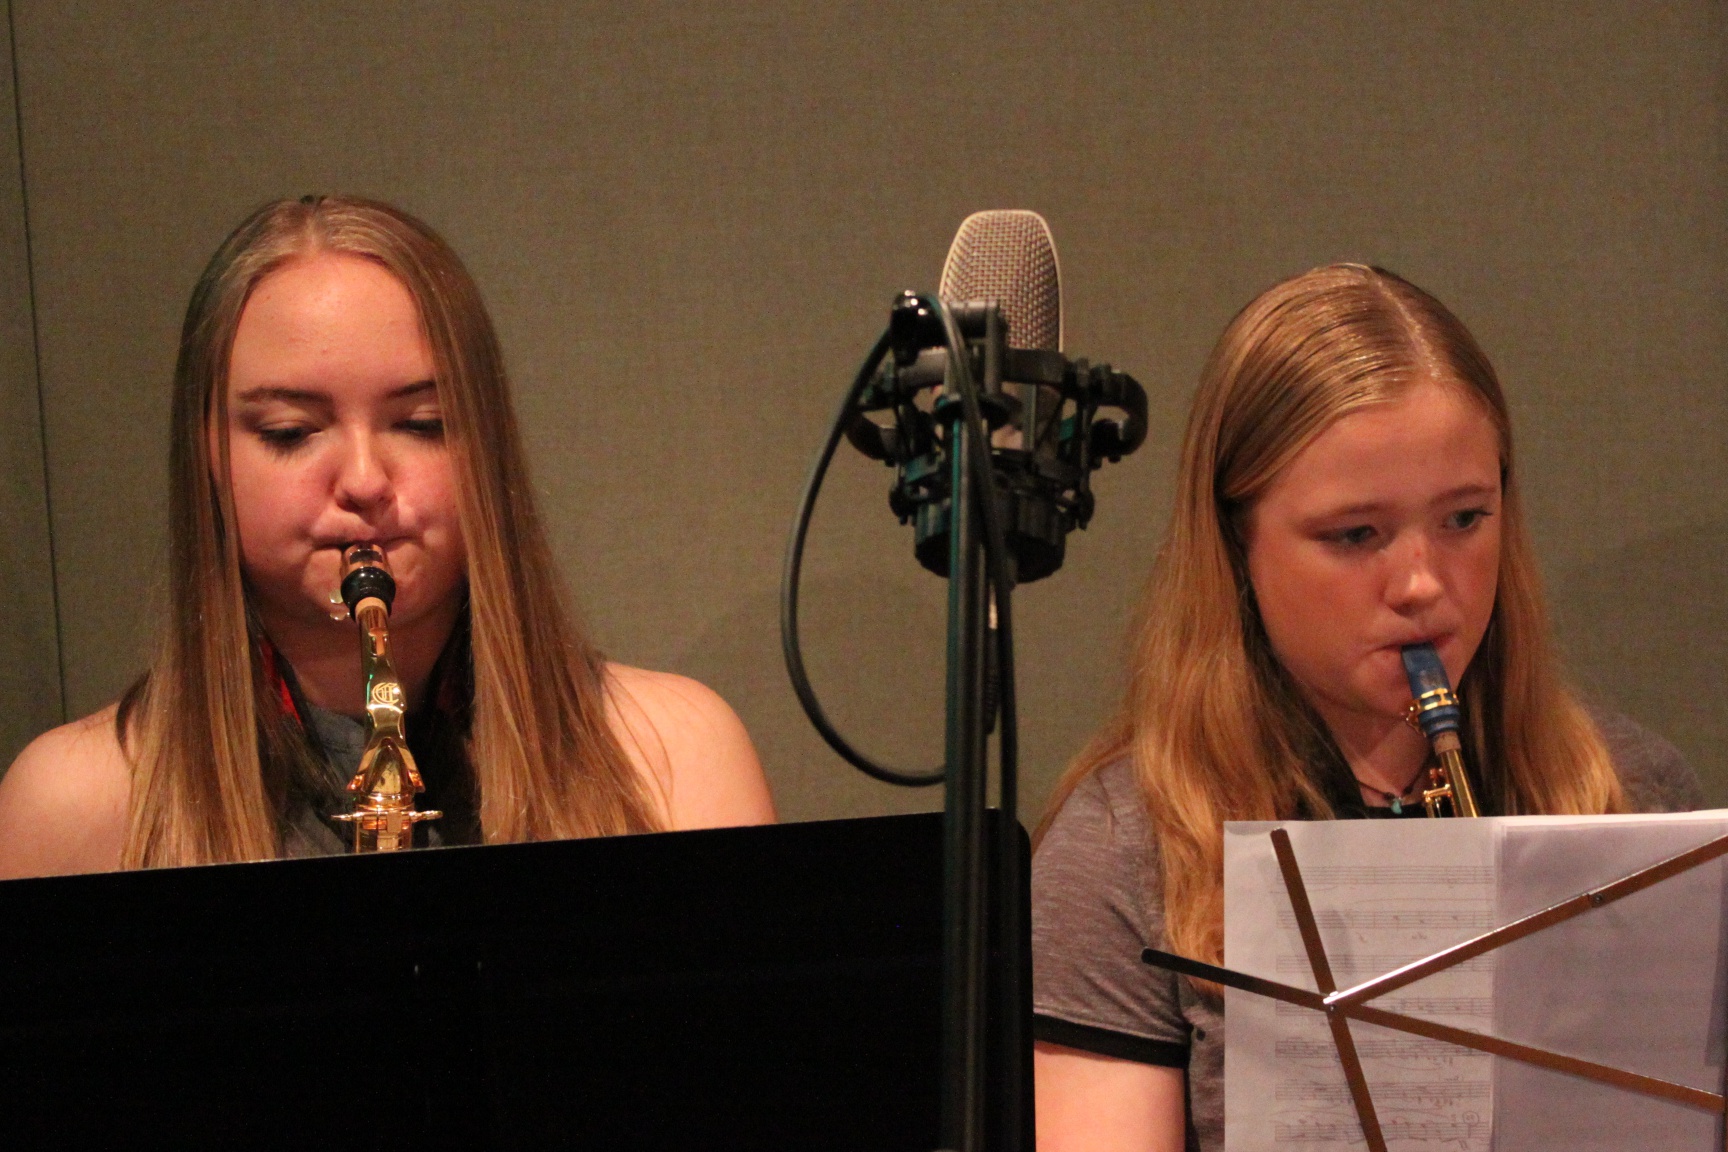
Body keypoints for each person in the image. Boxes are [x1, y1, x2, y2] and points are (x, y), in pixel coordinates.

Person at [1029, 263, 1702, 1152]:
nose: (1422, 584)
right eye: (1356, 534)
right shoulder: (1125, 852)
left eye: (1464, 519)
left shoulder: (1635, 799)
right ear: (1236, 544)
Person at [0, 195, 774, 878]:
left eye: (423, 424)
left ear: (488, 448)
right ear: (207, 456)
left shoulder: (674, 757)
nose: (365, 480)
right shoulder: (72, 803)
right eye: (290, 430)